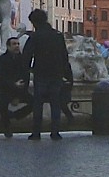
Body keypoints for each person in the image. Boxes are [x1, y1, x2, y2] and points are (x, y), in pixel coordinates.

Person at [24, 9, 74, 140]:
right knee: (55, 103)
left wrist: (28, 70)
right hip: (56, 74)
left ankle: (36, 133)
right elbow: (64, 56)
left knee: (38, 103)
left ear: (35, 22)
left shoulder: (35, 36)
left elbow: (27, 56)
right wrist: (66, 75)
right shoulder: (57, 35)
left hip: (40, 73)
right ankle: (55, 132)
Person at [0, 35, 34, 137]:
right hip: (5, 89)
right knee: (2, 103)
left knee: (35, 102)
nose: (17, 46)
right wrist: (13, 84)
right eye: (14, 44)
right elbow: (1, 78)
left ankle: (15, 115)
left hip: (20, 90)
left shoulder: (22, 59)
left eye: (18, 44)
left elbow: (26, 75)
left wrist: (19, 92)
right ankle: (6, 127)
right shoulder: (2, 59)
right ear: (8, 46)